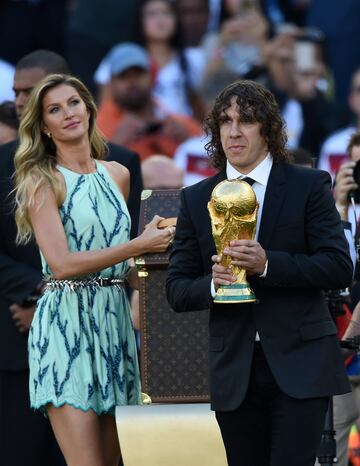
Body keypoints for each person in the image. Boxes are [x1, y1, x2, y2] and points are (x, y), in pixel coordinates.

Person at [166, 79, 353, 466]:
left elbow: (338, 267)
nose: (234, 131)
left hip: (300, 364)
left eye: (247, 120)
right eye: (225, 121)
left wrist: (267, 264)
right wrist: (214, 286)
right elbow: (177, 290)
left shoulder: (309, 184)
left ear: (267, 128)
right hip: (235, 369)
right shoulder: (197, 197)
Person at [13, 73, 173, 466]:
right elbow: (63, 265)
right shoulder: (41, 180)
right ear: (44, 127)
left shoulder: (118, 174)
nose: (67, 113)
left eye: (73, 103)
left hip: (114, 324)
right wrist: (140, 246)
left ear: (88, 107)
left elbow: (123, 268)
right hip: (65, 324)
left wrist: (175, 264)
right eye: (54, 109)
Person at [96, 42, 202, 160]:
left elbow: (209, 153)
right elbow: (86, 171)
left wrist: (187, 140)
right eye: (124, 76)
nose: (132, 82)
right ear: (111, 83)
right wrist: (116, 144)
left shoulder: (171, 119)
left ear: (153, 76)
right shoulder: (97, 127)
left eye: (138, 74)